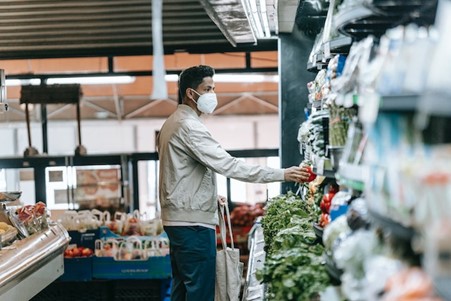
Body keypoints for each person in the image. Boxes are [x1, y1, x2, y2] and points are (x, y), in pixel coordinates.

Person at [157, 65, 310, 301]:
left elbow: (179, 173)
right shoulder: (189, 127)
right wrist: (282, 174)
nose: (212, 95)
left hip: (178, 220)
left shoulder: (172, 122)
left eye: (213, 89)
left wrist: (208, 194)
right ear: (190, 93)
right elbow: (229, 165)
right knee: (200, 291)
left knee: (183, 288)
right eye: (207, 89)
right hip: (192, 224)